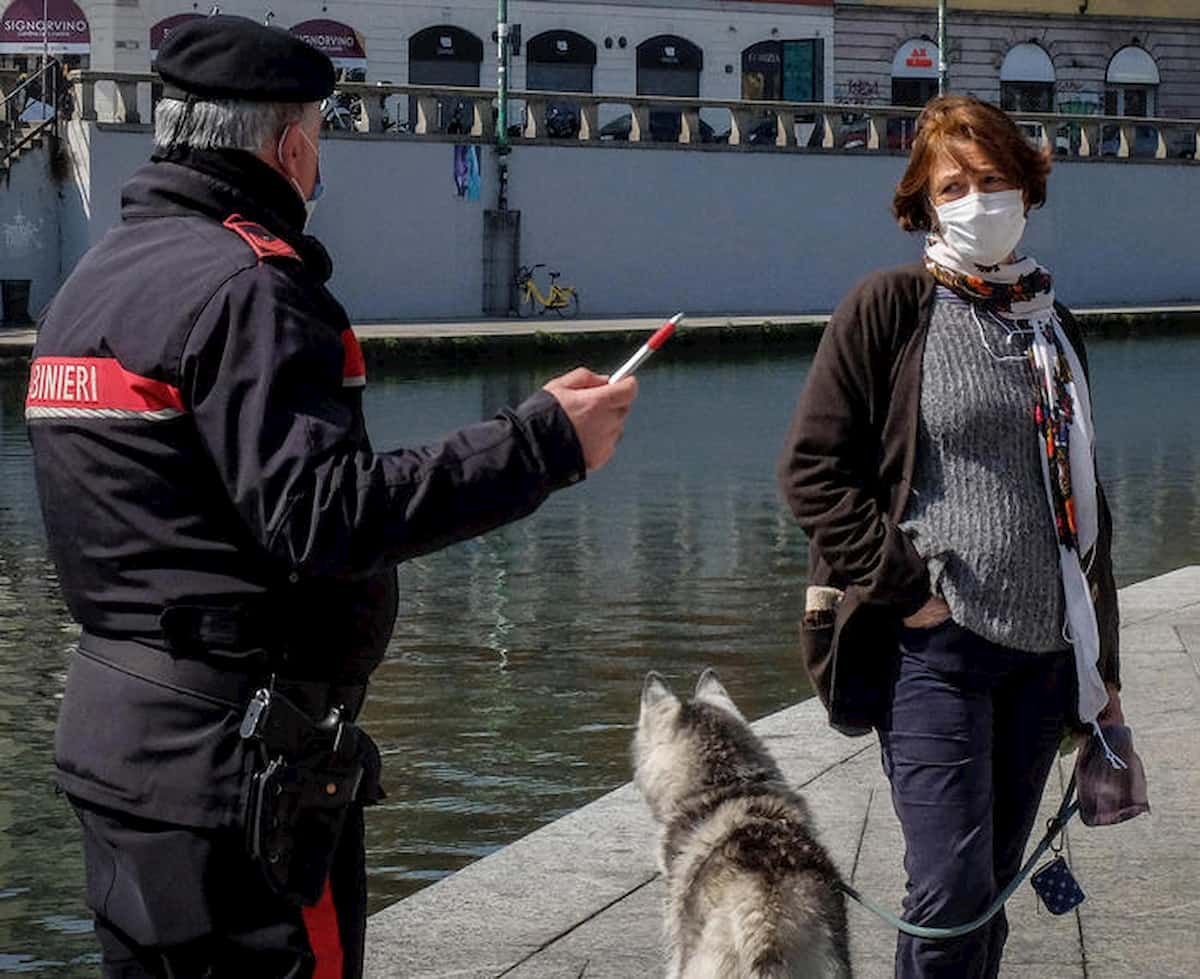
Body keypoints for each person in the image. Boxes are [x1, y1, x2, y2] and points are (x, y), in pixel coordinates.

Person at [25, 15, 636, 979]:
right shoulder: (252, 288)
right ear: (292, 144)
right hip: (241, 774)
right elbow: (325, 516)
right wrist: (541, 444)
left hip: (120, 744)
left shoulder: (91, 284)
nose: (317, 176)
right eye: (319, 146)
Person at [777, 95, 1124, 978]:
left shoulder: (1051, 321)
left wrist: (1101, 674)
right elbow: (813, 468)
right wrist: (912, 593)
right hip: (935, 650)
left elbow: (1082, 512)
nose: (979, 199)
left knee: (992, 886)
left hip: (1042, 657)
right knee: (949, 886)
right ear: (924, 204)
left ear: (1027, 188)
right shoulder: (890, 307)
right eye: (955, 185)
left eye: (995, 178)